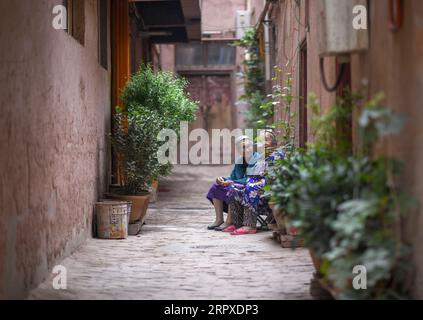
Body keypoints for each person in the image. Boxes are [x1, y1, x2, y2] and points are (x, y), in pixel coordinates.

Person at [224, 130, 285, 235]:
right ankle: (237, 223)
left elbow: (271, 177)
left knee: (251, 186)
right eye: (261, 141)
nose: (264, 143)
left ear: (274, 142)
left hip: (273, 189)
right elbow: (255, 175)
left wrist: (250, 181)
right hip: (263, 188)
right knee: (234, 187)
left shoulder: (277, 154)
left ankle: (249, 225)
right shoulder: (262, 156)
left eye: (267, 140)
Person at [206, 136, 261, 230]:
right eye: (243, 148)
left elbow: (252, 178)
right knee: (216, 186)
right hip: (238, 184)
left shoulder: (258, 160)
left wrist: (232, 182)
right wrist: (223, 179)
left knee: (233, 187)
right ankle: (219, 219)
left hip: (253, 187)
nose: (247, 149)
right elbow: (233, 177)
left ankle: (229, 221)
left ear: (252, 146)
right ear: (239, 150)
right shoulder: (240, 161)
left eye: (249, 146)